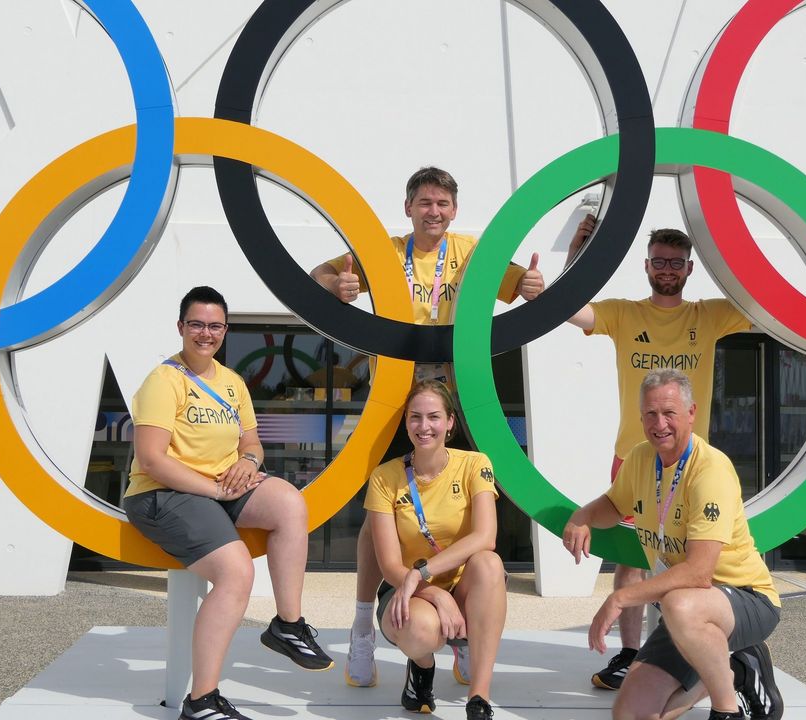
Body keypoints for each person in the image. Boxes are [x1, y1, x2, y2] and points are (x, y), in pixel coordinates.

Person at [310, 166, 543, 688]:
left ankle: (463, 628)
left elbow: (522, 286)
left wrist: (532, 285)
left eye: (441, 203)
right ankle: (362, 628)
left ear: (454, 210)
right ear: (408, 207)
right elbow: (317, 278)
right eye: (423, 202)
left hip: (461, 395)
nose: (433, 211)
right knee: (378, 513)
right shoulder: (383, 251)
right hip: (396, 395)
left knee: (483, 499)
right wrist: (338, 283)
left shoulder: (471, 251)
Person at [123, 286, 332, 720]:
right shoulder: (164, 381)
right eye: (196, 324)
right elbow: (151, 460)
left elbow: (252, 442)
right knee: (236, 573)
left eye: (214, 325)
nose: (206, 333)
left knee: (290, 504)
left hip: (220, 485)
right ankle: (201, 701)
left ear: (225, 330)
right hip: (164, 493)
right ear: (181, 327)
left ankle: (287, 626)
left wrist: (248, 462)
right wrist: (216, 490)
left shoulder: (233, 382)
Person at [559, 221, 751, 692]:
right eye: (659, 261)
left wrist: (732, 244)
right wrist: (575, 255)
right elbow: (569, 310)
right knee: (632, 557)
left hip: (691, 465)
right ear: (646, 266)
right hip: (634, 458)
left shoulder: (709, 315)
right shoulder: (625, 314)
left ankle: (683, 649)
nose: (667, 270)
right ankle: (629, 653)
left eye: (676, 263)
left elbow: (762, 308)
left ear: (689, 269)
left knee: (692, 560)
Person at [563, 369, 782, 720]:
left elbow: (698, 573)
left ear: (692, 413)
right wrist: (582, 517)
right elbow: (614, 504)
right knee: (630, 714)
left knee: (679, 602)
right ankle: (736, 669)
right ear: (641, 417)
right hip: (688, 613)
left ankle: (726, 710)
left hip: (745, 597)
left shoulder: (711, 470)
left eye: (669, 413)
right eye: (651, 414)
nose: (659, 423)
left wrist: (620, 597)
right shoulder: (639, 458)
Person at [365, 379, 505, 720]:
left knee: (489, 563)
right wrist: (435, 594)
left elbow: (485, 536)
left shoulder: (475, 464)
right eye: (415, 417)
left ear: (450, 421)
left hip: (463, 585)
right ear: (406, 422)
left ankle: (479, 698)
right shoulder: (385, 477)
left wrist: (424, 571)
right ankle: (421, 670)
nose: (424, 426)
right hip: (411, 592)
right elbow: (389, 566)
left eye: (433, 417)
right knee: (418, 631)